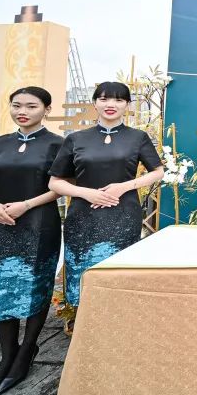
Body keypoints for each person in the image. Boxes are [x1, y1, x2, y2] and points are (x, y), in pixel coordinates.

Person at [0, 86, 63, 395]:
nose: (23, 111)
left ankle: (27, 350)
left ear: (46, 110)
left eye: (31, 106)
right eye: (17, 105)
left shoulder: (58, 144)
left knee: (36, 283)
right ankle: (7, 354)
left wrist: (27, 205)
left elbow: (61, 186)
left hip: (38, 222)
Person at [48, 81, 163, 327]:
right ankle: (85, 328)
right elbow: (55, 182)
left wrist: (124, 186)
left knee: (118, 272)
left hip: (123, 214)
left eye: (118, 100)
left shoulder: (138, 138)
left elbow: (157, 171)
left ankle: (117, 328)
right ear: (95, 103)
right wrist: (86, 193)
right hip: (83, 216)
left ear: (127, 105)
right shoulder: (75, 139)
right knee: (83, 272)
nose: (111, 104)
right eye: (104, 99)